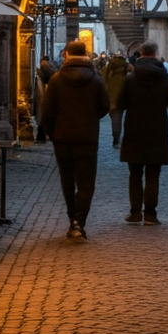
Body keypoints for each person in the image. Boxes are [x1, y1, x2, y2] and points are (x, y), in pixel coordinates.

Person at [40, 40, 109, 239]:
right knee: (87, 182)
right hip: (87, 138)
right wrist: (89, 117)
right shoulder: (96, 79)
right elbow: (104, 107)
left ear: (68, 55)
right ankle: (79, 221)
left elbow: (47, 111)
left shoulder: (56, 79)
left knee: (67, 180)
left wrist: (51, 133)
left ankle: (72, 220)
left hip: (62, 139)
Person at [117, 41, 168, 225]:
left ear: (140, 54)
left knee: (134, 174)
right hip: (157, 131)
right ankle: (150, 215)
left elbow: (120, 104)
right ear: (155, 54)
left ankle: (135, 213)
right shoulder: (165, 78)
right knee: (153, 174)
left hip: (134, 130)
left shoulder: (130, 77)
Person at [102, 53, 131, 148]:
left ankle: (116, 139)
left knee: (115, 118)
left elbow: (104, 79)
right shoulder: (126, 67)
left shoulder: (109, 66)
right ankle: (124, 138)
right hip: (124, 95)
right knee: (125, 118)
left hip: (112, 94)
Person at [34, 56, 58, 143]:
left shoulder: (46, 70)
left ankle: (43, 136)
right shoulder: (51, 70)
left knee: (42, 117)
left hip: (45, 97)